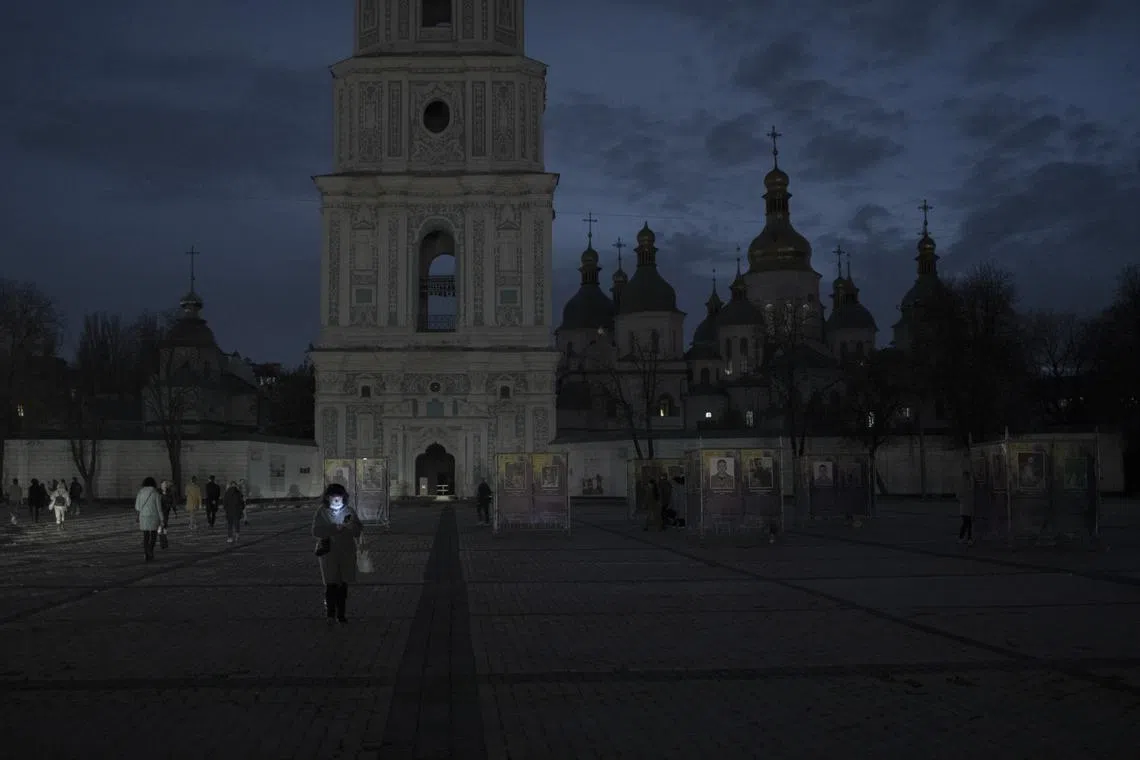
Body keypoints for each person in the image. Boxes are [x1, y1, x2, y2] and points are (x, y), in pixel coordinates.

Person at [311, 483, 363, 624]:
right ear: (327, 498)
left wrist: (351, 526)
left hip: (346, 552)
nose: (336, 500)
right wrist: (334, 528)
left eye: (339, 497)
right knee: (331, 584)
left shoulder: (349, 511)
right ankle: (330, 614)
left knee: (343, 584)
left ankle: (341, 614)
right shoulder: (322, 512)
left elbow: (358, 531)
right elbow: (316, 531)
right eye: (333, 497)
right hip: (329, 553)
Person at [135, 477, 163, 562]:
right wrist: (162, 519)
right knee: (153, 535)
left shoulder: (140, 492)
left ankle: (146, 553)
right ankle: (150, 550)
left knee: (146, 536)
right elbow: (159, 508)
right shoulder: (155, 493)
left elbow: (137, 506)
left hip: (143, 516)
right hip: (154, 516)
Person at [957, 462, 974, 546]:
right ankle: (967, 538)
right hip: (967, 507)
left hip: (965, 507)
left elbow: (958, 496)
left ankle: (964, 538)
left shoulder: (964, 485)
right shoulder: (969, 485)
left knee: (967, 523)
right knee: (968, 523)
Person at [158, 480, 176, 549]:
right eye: (164, 484)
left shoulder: (169, 492)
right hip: (159, 513)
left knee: (165, 526)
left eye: (166, 484)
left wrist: (173, 508)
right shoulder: (158, 492)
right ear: (161, 485)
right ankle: (162, 541)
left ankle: (164, 541)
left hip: (166, 513)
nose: (165, 485)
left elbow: (172, 501)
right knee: (160, 527)